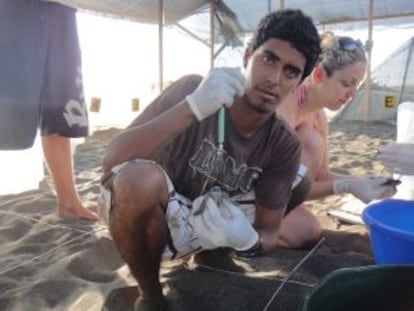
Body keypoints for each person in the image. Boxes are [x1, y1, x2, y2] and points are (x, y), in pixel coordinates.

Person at [100, 9, 321, 311]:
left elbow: (270, 232)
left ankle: (214, 254)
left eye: (291, 71)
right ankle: (150, 294)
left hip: (217, 221)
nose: (274, 79)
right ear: (247, 57)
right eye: (268, 59)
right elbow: (112, 160)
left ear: (298, 84)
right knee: (136, 181)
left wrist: (247, 241)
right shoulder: (194, 90)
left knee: (301, 179)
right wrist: (193, 107)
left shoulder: (283, 142)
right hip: (161, 216)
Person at [276, 32, 397, 248]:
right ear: (319, 74)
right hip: (252, 195)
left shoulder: (318, 115)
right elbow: (276, 186)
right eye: (346, 83)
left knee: (307, 229)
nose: (352, 94)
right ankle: (235, 237)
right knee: (307, 230)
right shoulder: (284, 107)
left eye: (356, 85)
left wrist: (364, 181)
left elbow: (321, 175)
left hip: (281, 197)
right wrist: (346, 186)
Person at [0, 0, 97, 220]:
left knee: (62, 108)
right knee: (7, 103)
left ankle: (69, 203)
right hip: (14, 9)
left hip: (61, 10)